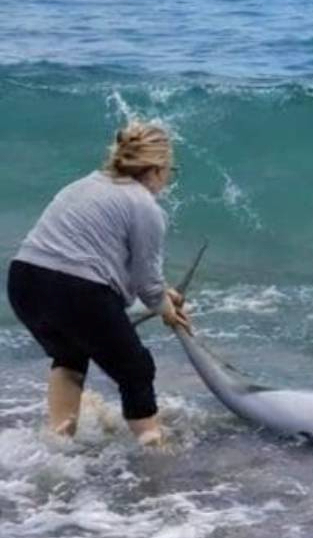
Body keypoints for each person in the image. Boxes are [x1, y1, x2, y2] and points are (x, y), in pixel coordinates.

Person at [7, 121, 191, 448]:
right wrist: (166, 309)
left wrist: (161, 296)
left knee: (69, 356)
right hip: (76, 290)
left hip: (24, 280)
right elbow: (147, 284)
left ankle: (57, 446)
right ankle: (155, 455)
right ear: (158, 169)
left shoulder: (83, 184)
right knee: (136, 369)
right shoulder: (144, 205)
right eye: (170, 170)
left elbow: (98, 263)